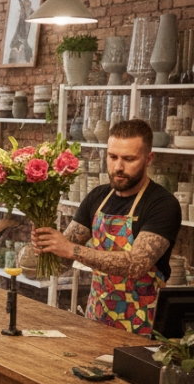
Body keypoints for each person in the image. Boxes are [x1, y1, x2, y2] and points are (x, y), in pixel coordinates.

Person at [32, 118, 181, 336]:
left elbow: (135, 265)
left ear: (149, 159)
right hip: (97, 320)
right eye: (112, 157)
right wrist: (46, 245)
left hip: (144, 328)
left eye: (129, 159)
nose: (118, 167)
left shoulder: (162, 204)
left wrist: (70, 249)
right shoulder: (97, 197)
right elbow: (61, 263)